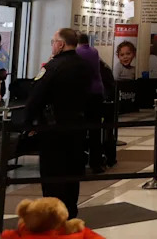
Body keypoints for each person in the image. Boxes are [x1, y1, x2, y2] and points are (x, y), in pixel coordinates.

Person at [25, 28, 91, 217]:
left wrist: (28, 124)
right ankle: (70, 211)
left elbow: (36, 96)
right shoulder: (84, 65)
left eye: (53, 42)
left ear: (61, 44)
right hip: (77, 125)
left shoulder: (52, 67)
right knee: (71, 172)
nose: (52, 45)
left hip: (53, 128)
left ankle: (53, 214)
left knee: (52, 172)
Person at [75, 34, 104, 173]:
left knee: (80, 131)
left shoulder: (77, 53)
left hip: (84, 94)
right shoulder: (94, 51)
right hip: (97, 93)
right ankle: (96, 164)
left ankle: (79, 165)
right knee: (95, 130)